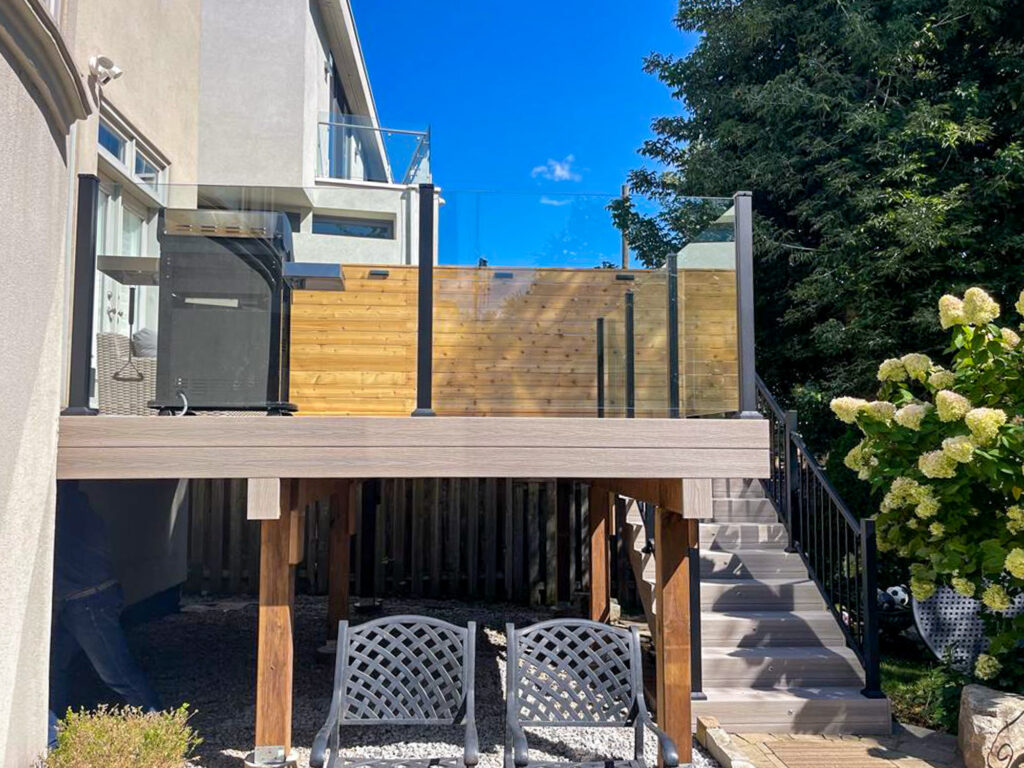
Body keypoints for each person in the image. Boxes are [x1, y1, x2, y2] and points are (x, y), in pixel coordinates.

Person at [48, 481, 161, 746]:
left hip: (88, 603)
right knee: (54, 670)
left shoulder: (66, 511)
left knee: (117, 673)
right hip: (82, 601)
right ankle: (52, 736)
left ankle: (159, 732)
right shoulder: (80, 508)